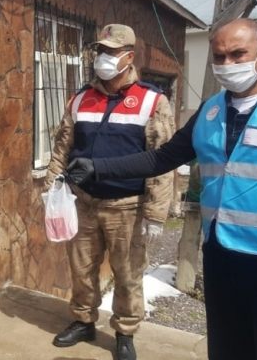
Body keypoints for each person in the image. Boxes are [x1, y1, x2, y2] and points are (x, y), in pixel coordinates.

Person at [67, 18, 257, 360]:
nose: (227, 65)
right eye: (219, 56)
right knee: (226, 347)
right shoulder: (210, 111)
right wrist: (98, 167)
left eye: (238, 54)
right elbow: (161, 158)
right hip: (223, 256)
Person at [47, 24, 175, 360]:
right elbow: (62, 147)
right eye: (100, 51)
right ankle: (83, 321)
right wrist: (51, 188)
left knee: (127, 273)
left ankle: (124, 332)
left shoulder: (152, 101)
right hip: (83, 202)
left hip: (127, 207)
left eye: (111, 52)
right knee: (81, 268)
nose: (102, 58)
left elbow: (163, 158)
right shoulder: (80, 98)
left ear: (129, 57)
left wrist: (156, 212)